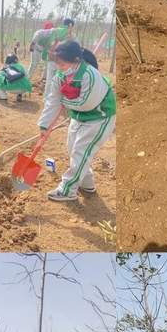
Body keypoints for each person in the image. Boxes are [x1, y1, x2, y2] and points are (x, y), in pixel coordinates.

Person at [37, 40, 116, 202]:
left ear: (75, 61)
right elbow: (53, 100)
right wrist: (44, 125)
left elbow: (86, 103)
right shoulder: (60, 76)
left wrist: (63, 101)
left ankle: (67, 190)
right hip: (78, 117)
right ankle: (87, 183)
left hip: (99, 118)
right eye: (57, 63)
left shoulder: (90, 75)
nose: (59, 67)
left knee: (81, 151)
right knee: (74, 150)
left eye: (63, 64)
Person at [27, 18, 75, 98]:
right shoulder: (59, 31)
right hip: (40, 50)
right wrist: (33, 43)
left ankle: (46, 90)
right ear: (70, 25)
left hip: (51, 56)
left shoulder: (65, 33)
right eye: (72, 27)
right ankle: (27, 80)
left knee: (50, 75)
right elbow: (39, 33)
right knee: (34, 65)